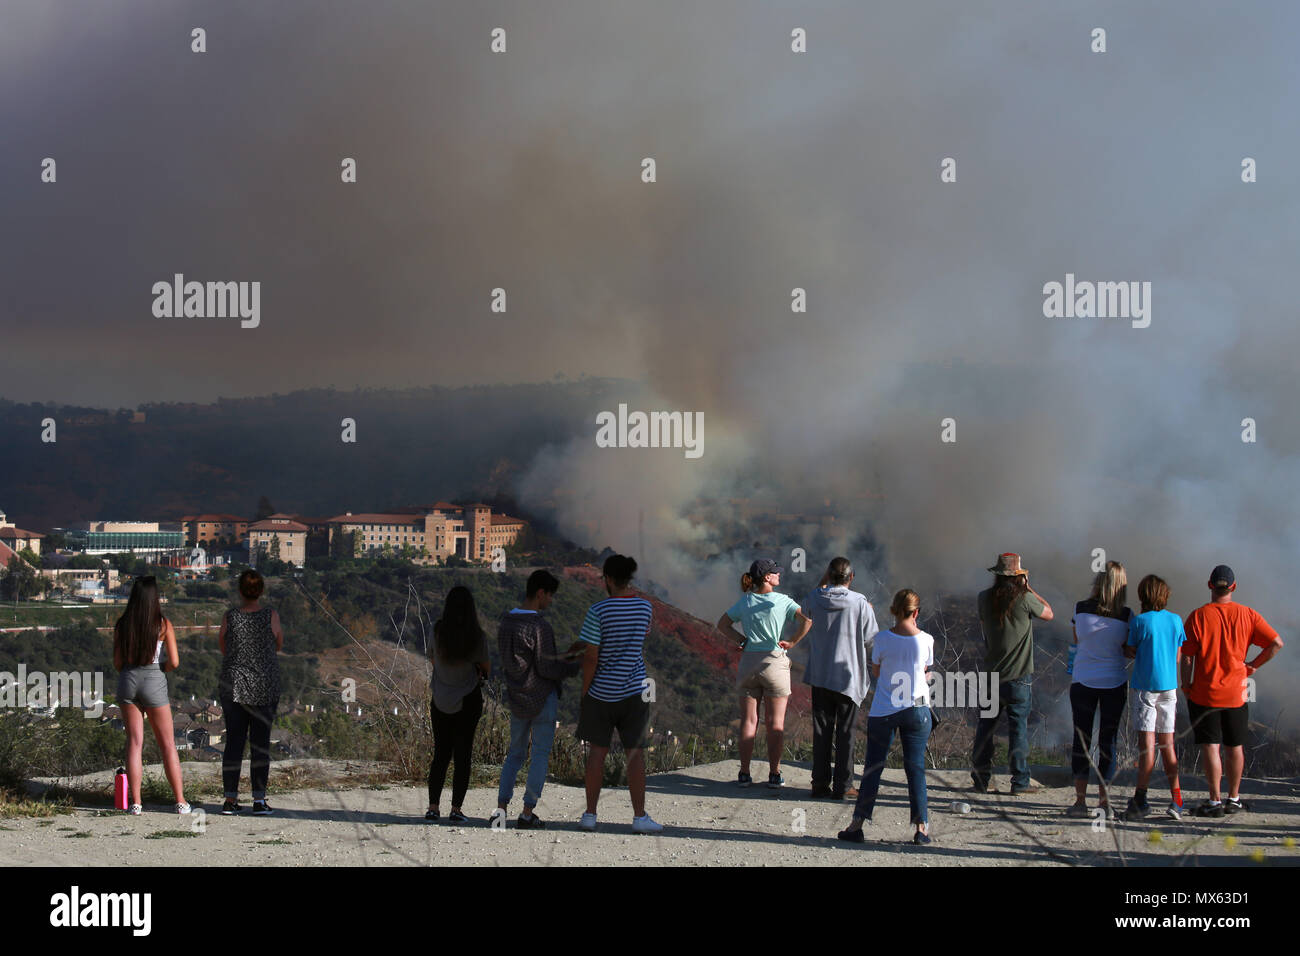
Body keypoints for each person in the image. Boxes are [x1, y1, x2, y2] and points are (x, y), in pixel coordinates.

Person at [1180, 565, 1284, 817]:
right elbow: (1276, 643)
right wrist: (1252, 666)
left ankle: (1214, 802)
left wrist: (1186, 684)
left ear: (1210, 585)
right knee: (1234, 746)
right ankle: (1233, 798)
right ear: (1233, 587)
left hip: (1204, 693)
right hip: (1237, 692)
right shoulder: (1247, 614)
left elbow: (1187, 656)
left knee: (1210, 746)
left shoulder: (1198, 616)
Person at [837, 589, 934, 845]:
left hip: (884, 710)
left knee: (873, 768)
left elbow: (878, 673)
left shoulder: (881, 639)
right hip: (917, 709)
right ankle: (921, 828)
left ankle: (857, 824)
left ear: (894, 610)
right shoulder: (927, 640)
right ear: (915, 612)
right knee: (915, 768)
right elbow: (926, 672)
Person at [575, 554, 663, 833]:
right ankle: (639, 817)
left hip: (601, 692)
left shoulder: (597, 611)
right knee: (635, 755)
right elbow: (639, 640)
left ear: (609, 579)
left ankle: (590, 814)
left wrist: (585, 691)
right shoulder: (645, 608)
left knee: (597, 754)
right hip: (635, 691)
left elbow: (591, 657)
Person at [492, 569, 581, 829]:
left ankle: (500, 809)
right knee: (540, 754)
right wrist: (573, 664)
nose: (551, 601)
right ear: (541, 593)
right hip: (542, 697)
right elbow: (547, 667)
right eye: (550, 595)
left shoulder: (506, 622)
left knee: (514, 754)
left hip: (517, 697)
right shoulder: (539, 626)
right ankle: (527, 812)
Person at [716, 558, 812, 788]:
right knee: (774, 722)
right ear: (767, 578)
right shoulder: (782, 601)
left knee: (749, 721)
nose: (779, 575)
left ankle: (744, 773)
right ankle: (774, 773)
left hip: (749, 662)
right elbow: (807, 621)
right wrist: (792, 642)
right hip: (774, 662)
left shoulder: (745, 601)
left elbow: (722, 624)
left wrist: (742, 640)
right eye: (775, 573)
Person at [971, 553, 1054, 795]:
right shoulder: (1026, 598)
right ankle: (1019, 782)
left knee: (985, 728)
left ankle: (980, 780)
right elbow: (1049, 613)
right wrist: (1030, 588)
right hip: (1018, 678)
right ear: (1019, 576)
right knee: (1018, 730)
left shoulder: (983, 598)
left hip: (990, 677)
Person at [796, 557, 878, 799]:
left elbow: (803, 612)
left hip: (821, 674)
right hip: (848, 676)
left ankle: (819, 784)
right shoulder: (860, 603)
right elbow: (871, 640)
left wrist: (824, 581)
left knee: (821, 730)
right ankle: (843, 786)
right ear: (851, 578)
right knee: (846, 732)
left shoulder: (815, 598)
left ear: (828, 576)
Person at [113, 576, 191, 816]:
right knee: (167, 744)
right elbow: (175, 662)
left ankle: (135, 803)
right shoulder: (163, 624)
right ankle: (180, 801)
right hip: (153, 679)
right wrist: (159, 670)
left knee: (134, 743)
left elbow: (117, 662)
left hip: (128, 680)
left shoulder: (123, 624)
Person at [1065, 562, 1132, 820]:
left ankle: (1079, 801)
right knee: (1108, 743)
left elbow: (1077, 640)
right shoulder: (1127, 616)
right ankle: (1104, 803)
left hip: (1083, 681)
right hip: (1114, 682)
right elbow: (1128, 648)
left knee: (1081, 739)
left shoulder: (1080, 610)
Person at [217, 569, 282, 816]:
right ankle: (259, 798)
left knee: (234, 741)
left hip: (234, 683)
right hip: (265, 684)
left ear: (240, 591)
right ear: (261, 590)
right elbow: (278, 643)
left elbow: (223, 645)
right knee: (260, 742)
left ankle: (230, 799)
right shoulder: (271, 615)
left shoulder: (230, 616)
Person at [1121, 574, 1186, 821]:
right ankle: (1176, 799)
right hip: (1169, 689)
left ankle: (1141, 799)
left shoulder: (1139, 622)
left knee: (1146, 747)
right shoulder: (1176, 621)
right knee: (1167, 745)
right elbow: (1178, 657)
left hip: (1145, 689)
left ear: (1142, 596)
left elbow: (1131, 650)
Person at [425, 585, 490, 822]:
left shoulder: (437, 631)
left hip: (440, 697)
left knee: (440, 754)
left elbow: (431, 657)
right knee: (463, 755)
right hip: (468, 699)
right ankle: (456, 809)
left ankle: (433, 807)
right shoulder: (476, 636)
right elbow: (486, 667)